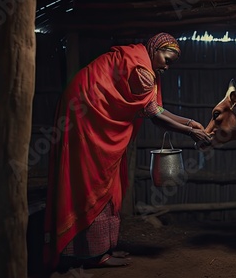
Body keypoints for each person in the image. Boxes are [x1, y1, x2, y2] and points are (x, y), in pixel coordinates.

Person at [43, 32, 210, 271]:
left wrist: (189, 122)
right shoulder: (142, 71)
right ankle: (91, 254)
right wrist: (190, 132)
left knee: (106, 180)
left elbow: (157, 109)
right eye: (166, 58)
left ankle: (101, 249)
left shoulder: (140, 62)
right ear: (154, 50)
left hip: (88, 110)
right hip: (85, 113)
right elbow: (155, 116)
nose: (167, 65)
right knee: (93, 178)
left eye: (171, 62)